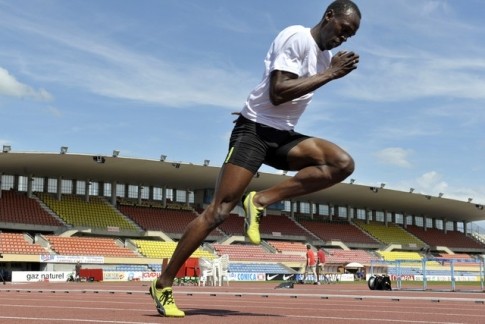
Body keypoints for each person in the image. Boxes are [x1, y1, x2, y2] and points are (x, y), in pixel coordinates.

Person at [150, 0, 361, 317]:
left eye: (350, 36)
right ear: (329, 16)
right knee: (218, 211)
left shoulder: (325, 57)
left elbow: (277, 95)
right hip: (253, 133)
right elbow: (278, 91)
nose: (343, 38)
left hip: (281, 136)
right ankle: (163, 284)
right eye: (344, 30)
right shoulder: (297, 37)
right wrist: (330, 74)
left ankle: (260, 201)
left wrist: (328, 69)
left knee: (341, 164)